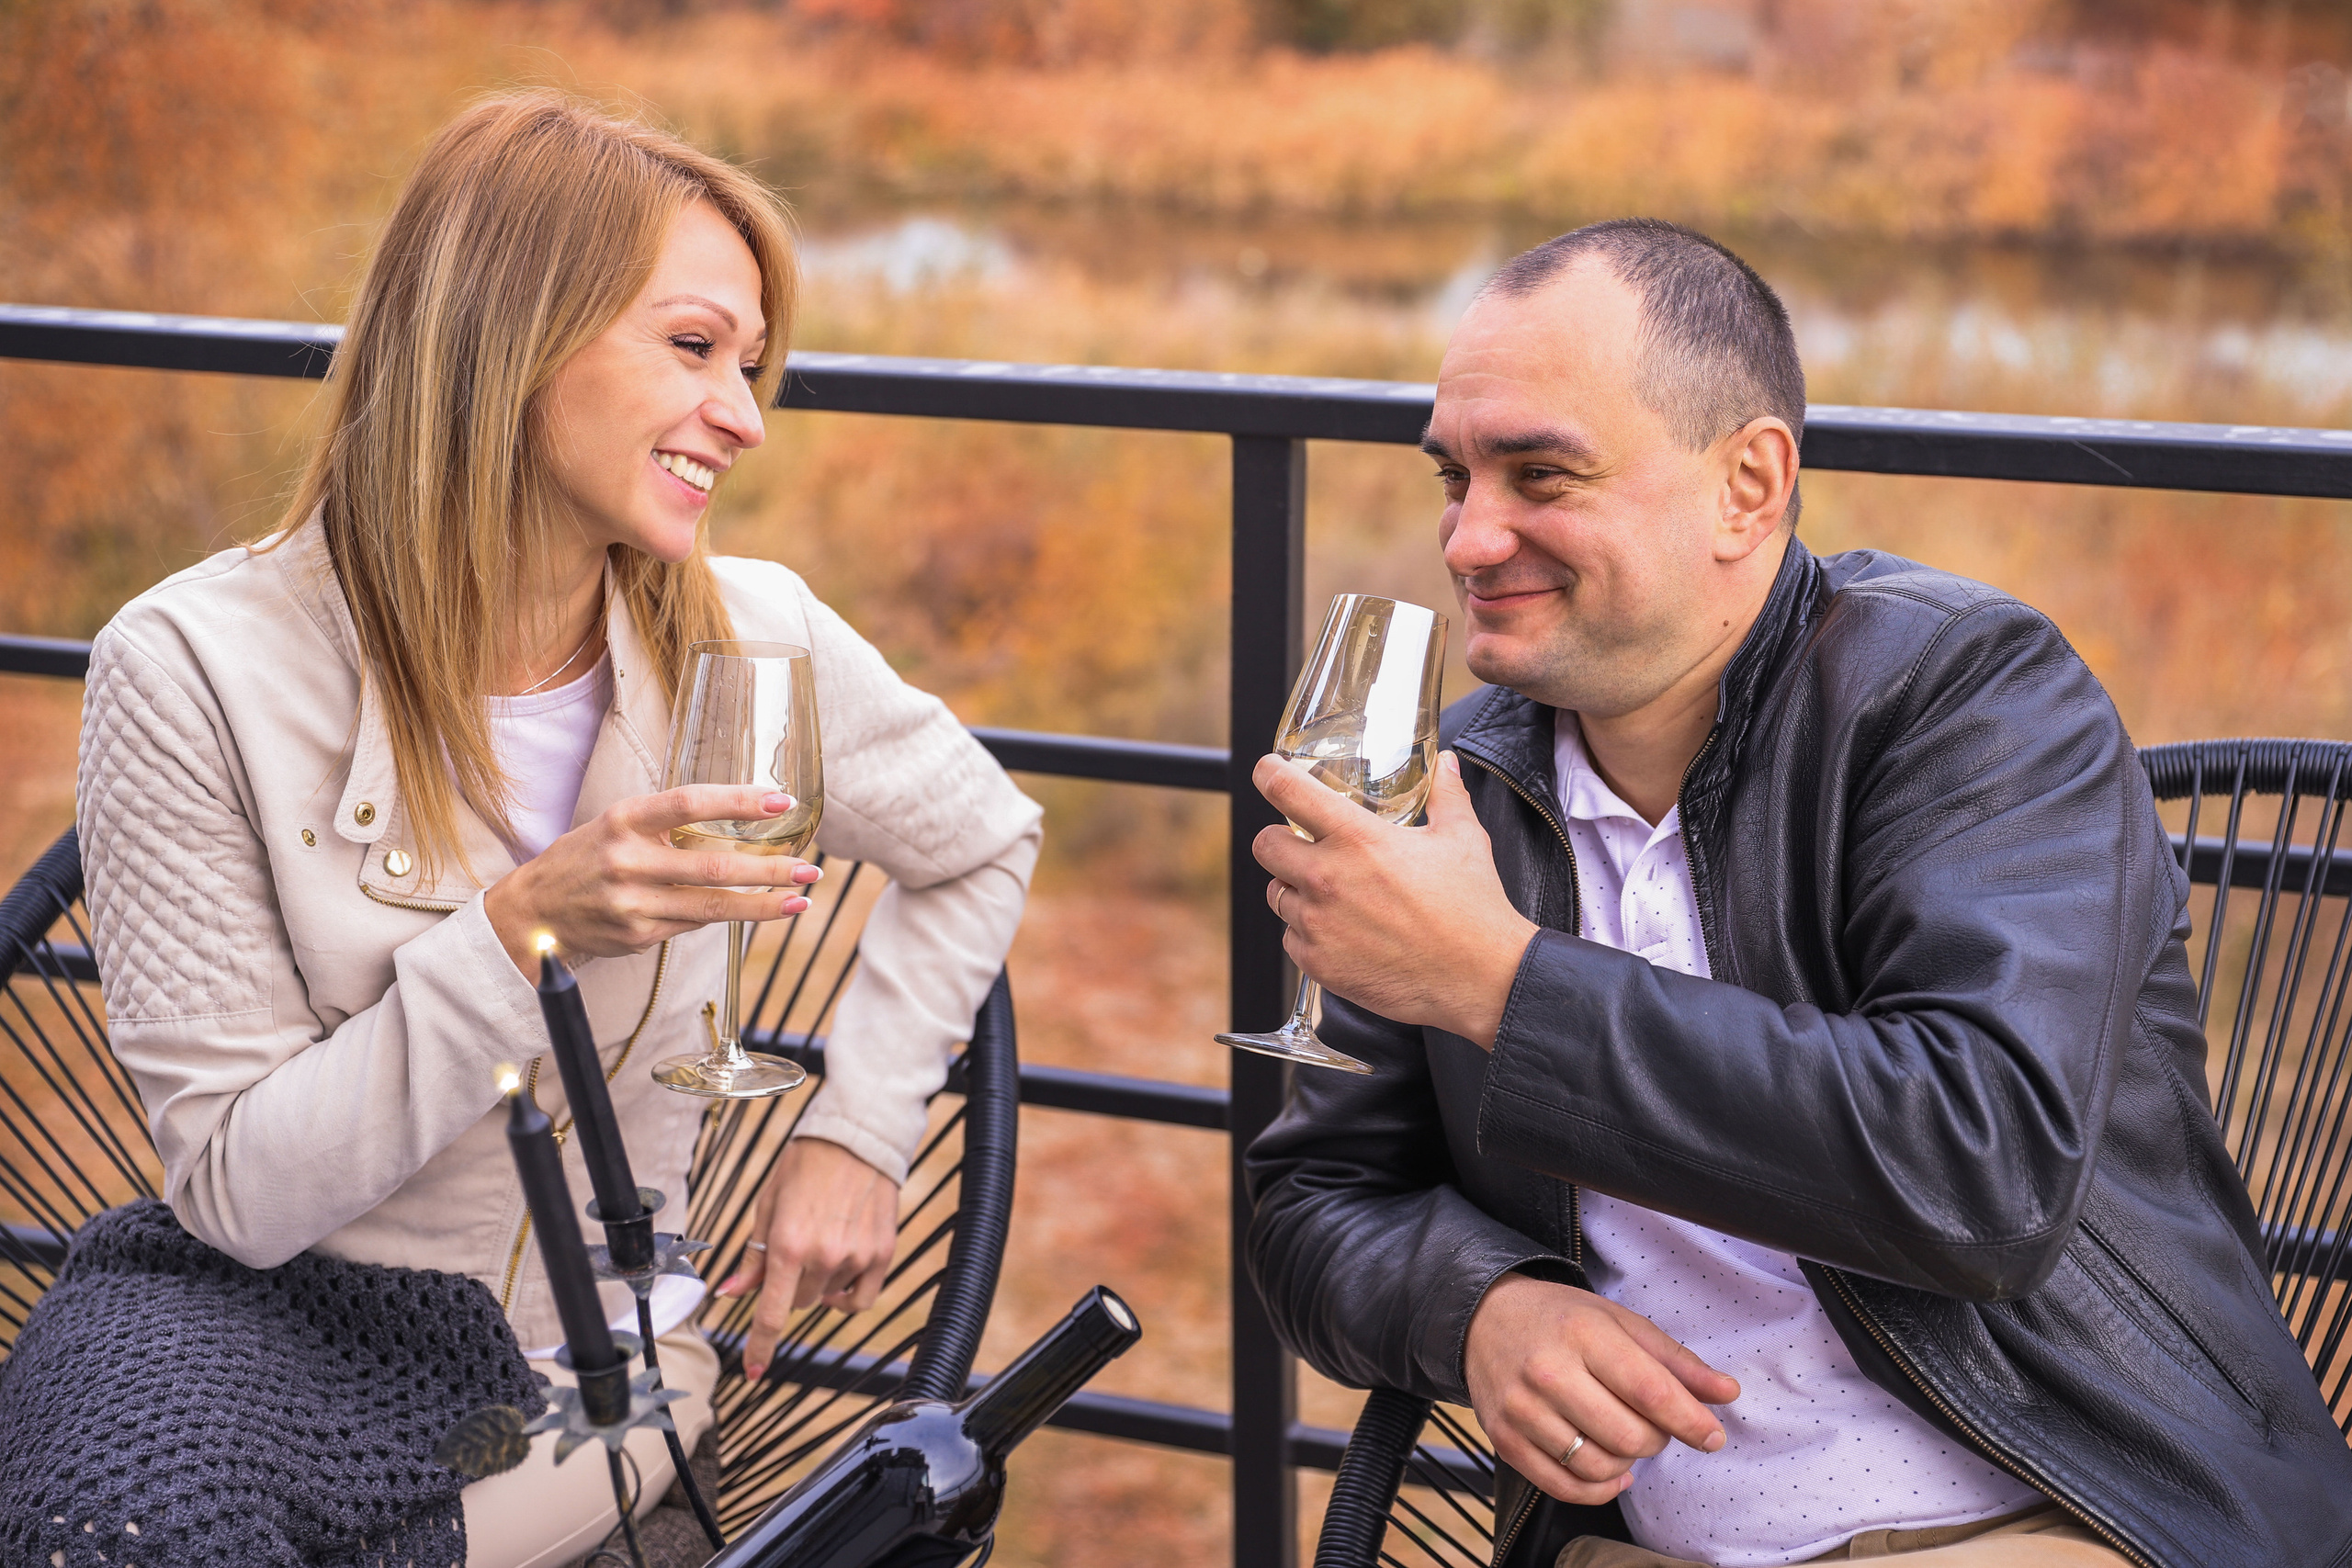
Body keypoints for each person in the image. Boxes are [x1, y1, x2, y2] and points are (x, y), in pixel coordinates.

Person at [1244, 219, 2352, 1568]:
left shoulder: (1965, 696)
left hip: (2060, 1515)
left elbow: (1977, 1165)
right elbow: (1314, 1207)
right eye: (1456, 476)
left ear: (1748, 485)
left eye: (1541, 473)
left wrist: (1497, 982)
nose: (1472, 538)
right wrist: (1482, 1308)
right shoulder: (1450, 792)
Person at [72, 94, 1040, 1567]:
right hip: (258, 1326)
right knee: (112, 1525)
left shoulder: (747, 635)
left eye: (755, 367)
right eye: (695, 346)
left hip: (574, 1377)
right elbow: (238, 1194)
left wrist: (859, 1128)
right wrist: (523, 933)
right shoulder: (190, 664)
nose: (746, 416)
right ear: (509, 331)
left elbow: (981, 838)